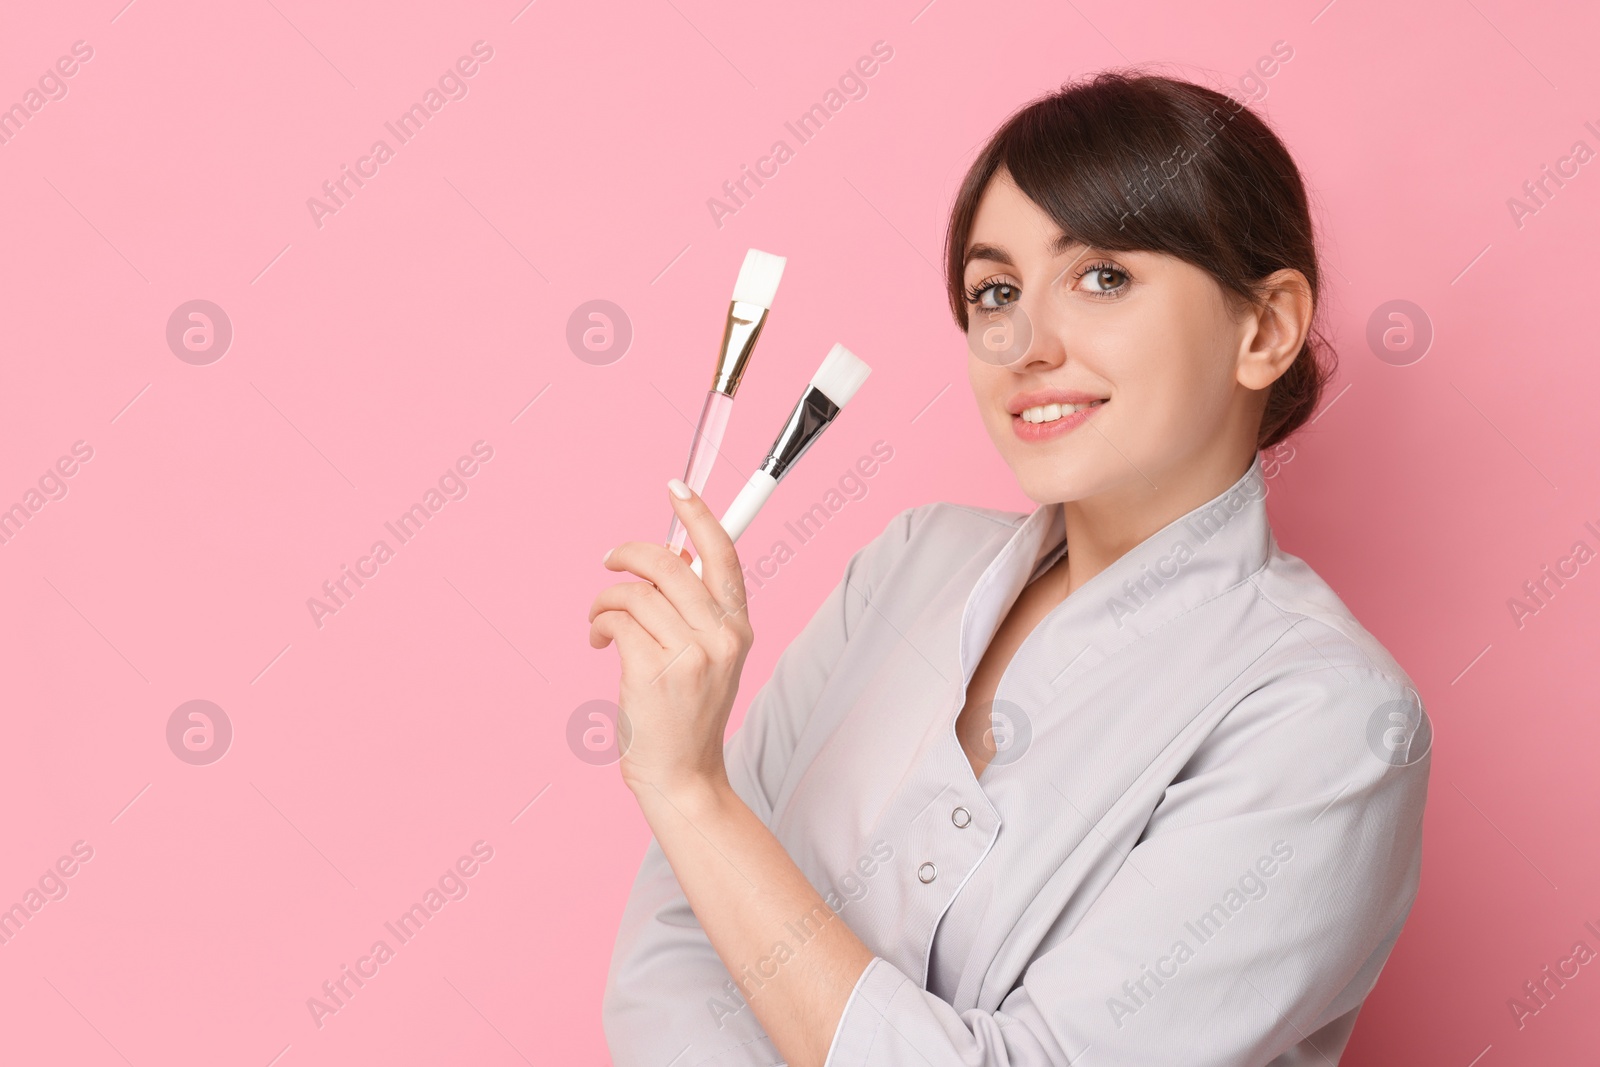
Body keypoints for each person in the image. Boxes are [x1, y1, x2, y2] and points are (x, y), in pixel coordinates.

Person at [590, 69, 1431, 1067]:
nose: (1023, 342)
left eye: (1103, 275)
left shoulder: (1328, 717)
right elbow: (674, 939)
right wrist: (702, 819)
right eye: (995, 292)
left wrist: (693, 792)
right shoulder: (907, 565)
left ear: (1265, 328)